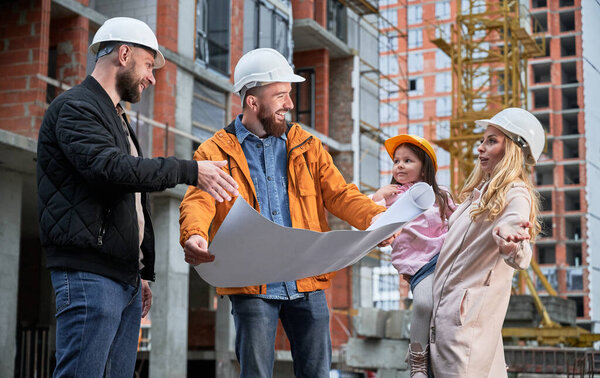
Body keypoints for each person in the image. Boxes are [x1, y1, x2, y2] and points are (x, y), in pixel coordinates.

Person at [37, 17, 238, 378]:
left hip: (122, 280)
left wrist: (140, 270)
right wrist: (191, 170)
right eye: (149, 65)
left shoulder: (117, 118)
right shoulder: (75, 107)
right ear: (124, 54)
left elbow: (130, 202)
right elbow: (112, 170)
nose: (152, 77)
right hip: (89, 275)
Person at [179, 47, 391, 378]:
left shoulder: (307, 145)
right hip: (252, 283)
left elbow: (339, 193)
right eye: (280, 95)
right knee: (257, 374)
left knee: (317, 374)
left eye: (289, 95)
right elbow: (199, 200)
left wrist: (375, 219)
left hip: (306, 279)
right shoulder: (214, 151)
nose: (289, 104)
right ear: (252, 102)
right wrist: (194, 234)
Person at [429, 108, 544, 378]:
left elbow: (520, 250)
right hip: (453, 320)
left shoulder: (515, 192)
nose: (480, 148)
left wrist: (511, 241)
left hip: (465, 326)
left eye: (491, 141)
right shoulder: (477, 197)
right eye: (482, 141)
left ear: (513, 149)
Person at [371, 135, 455, 378]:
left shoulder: (441, 195)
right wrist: (377, 197)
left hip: (444, 257)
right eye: (396, 161)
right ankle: (417, 360)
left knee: (447, 311)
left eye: (408, 160)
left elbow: (460, 219)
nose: (399, 165)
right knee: (424, 303)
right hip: (418, 266)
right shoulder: (391, 197)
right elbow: (371, 222)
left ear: (424, 166)